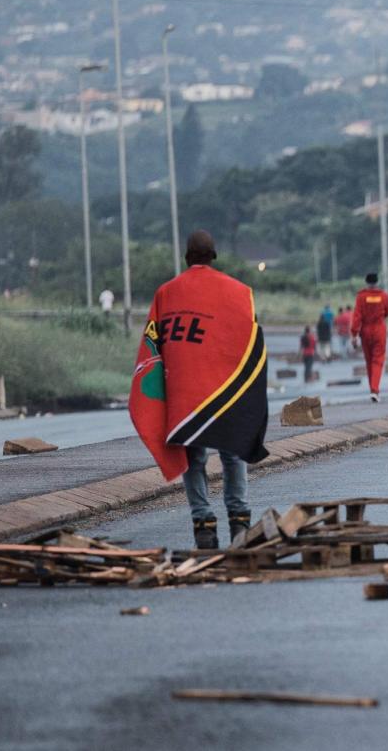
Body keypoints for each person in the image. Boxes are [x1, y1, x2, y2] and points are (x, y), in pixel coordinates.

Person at [128, 230, 268, 549]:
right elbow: (250, 344)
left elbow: (154, 346)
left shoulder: (166, 293)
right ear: (213, 256)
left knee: (194, 458)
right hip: (225, 394)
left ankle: (203, 525)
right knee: (233, 455)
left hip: (185, 395)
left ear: (187, 257)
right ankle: (240, 524)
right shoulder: (239, 293)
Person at [352, 273, 388, 402]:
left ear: (366, 282)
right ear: (377, 282)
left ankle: (372, 389)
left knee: (369, 361)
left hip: (365, 330)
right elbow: (387, 311)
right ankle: (374, 390)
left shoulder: (361, 297)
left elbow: (357, 316)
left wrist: (354, 334)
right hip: (379, 329)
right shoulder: (383, 296)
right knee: (378, 360)